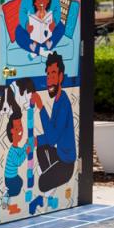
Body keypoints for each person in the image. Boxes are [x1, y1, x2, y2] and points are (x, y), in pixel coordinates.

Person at [27, 52, 76, 203]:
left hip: (66, 163)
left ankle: (49, 187)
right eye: (48, 74)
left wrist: (41, 107)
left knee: (41, 184)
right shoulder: (57, 99)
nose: (49, 79)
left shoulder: (63, 103)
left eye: (53, 74)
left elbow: (53, 137)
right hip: (60, 156)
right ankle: (51, 178)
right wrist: (35, 141)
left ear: (61, 76)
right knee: (41, 147)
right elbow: (50, 135)